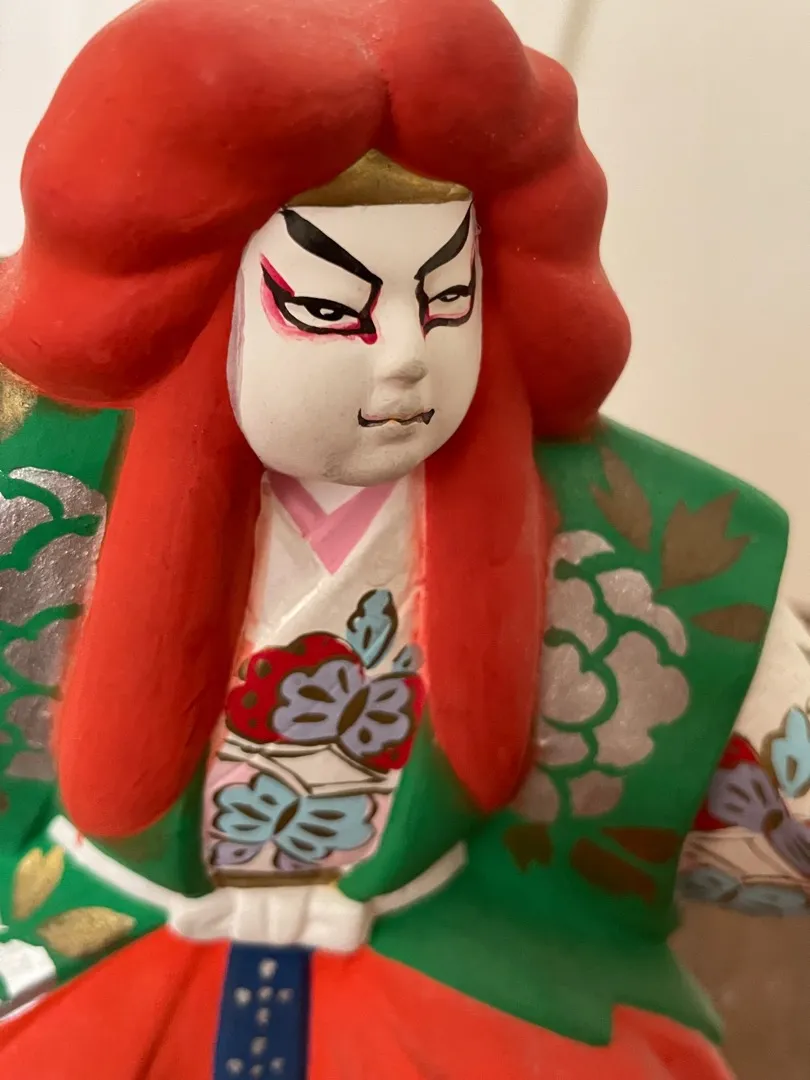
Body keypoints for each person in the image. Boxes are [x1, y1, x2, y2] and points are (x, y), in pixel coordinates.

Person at [0, 1, 806, 1077]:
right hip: (90, 924)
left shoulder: (641, 531)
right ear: (192, 299)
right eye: (329, 308)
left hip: (454, 938)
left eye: (448, 297)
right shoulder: (32, 478)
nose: (404, 358)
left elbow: (768, 797)